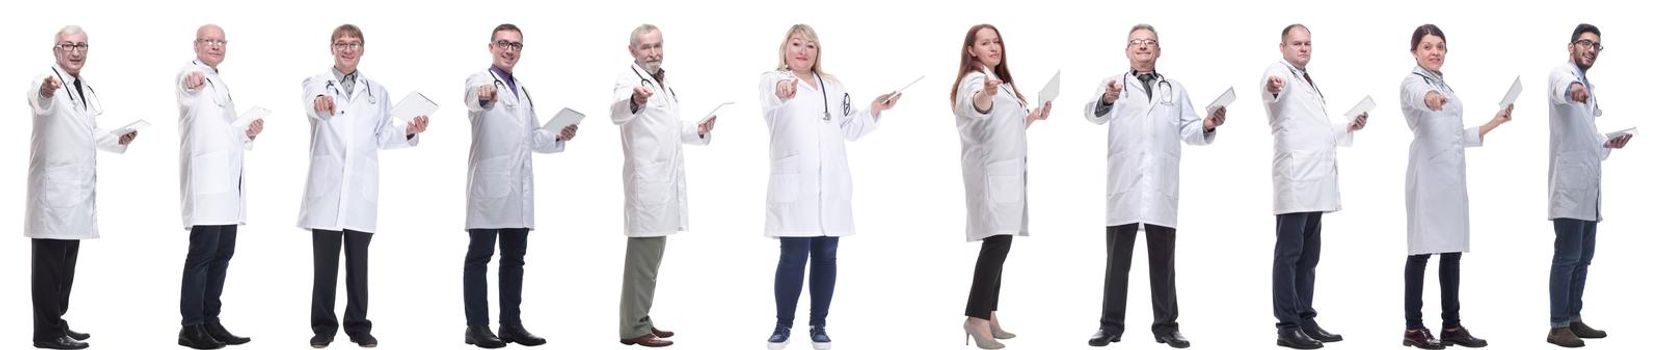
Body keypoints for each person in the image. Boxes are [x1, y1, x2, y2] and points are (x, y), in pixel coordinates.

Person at [1082, 23, 1226, 349]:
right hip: (1125, 189)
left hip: (1160, 189)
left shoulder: (1174, 89)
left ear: (1159, 50)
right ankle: (1109, 326)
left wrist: (1207, 124)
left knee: (1163, 264)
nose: (1143, 47)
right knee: (1116, 264)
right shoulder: (1114, 85)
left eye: (1150, 43)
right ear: (1127, 50)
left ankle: (1166, 327)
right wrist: (1106, 98)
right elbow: (1092, 114)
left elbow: (1190, 130)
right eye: (1137, 42)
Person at [758, 24, 900, 350]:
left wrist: (875, 109)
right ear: (785, 49)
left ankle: (818, 324)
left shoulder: (833, 86)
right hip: (795, 185)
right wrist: (784, 90)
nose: (803, 51)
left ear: (817, 52)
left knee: (826, 255)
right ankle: (783, 325)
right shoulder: (772, 80)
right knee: (792, 256)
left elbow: (849, 127)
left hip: (831, 185)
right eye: (796, 44)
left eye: (810, 45)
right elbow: (775, 96)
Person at [298, 24, 431, 349]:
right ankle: (324, 327)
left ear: (362, 49)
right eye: (341, 44)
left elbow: (384, 135)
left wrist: (410, 131)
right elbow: (312, 101)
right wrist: (321, 102)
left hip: (361, 191)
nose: (347, 49)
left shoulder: (377, 92)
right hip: (327, 190)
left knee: (359, 265)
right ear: (332, 47)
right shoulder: (316, 83)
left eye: (353, 44)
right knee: (325, 266)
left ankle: (358, 326)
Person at [459, 23, 576, 349]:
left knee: (514, 258)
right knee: (479, 256)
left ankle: (510, 324)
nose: (510, 50)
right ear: (491, 46)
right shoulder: (480, 80)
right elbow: (473, 99)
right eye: (504, 44)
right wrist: (484, 97)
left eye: (516, 45)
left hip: (518, 189)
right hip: (490, 187)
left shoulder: (522, 90)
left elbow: (533, 136)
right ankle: (476, 327)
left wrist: (558, 135)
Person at [1397, 24, 1509, 350]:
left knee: (1451, 253)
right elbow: (1421, 98)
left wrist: (1495, 121)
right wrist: (1430, 99)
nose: (1435, 52)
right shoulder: (1413, 83)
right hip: (1429, 179)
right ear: (1415, 51)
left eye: (1440, 46)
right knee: (1420, 252)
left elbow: (1458, 135)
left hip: (1452, 180)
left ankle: (1451, 325)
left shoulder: (1444, 84)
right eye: (1428, 46)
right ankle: (1413, 328)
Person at [26, 24, 138, 350]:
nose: (75, 52)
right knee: (49, 267)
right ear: (56, 51)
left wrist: (118, 138)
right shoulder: (45, 80)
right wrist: (47, 90)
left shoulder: (81, 86)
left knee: (65, 264)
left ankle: (56, 323)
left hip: (74, 194)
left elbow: (88, 132)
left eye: (81, 46)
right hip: (54, 194)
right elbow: (40, 100)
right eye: (68, 46)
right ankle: (46, 334)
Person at [608, 23, 717, 348]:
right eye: (646, 47)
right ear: (633, 51)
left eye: (657, 45)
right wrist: (634, 100)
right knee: (643, 259)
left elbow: (668, 128)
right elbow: (616, 112)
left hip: (664, 183)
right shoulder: (629, 81)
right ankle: (633, 327)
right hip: (648, 184)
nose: (653, 52)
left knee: (651, 259)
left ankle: (641, 317)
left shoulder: (661, 81)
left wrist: (697, 129)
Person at [1258, 24, 1365, 350]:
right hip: (1296, 180)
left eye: (1307, 43)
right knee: (1289, 255)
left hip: (1315, 182)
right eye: (1297, 43)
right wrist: (1273, 86)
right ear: (1283, 47)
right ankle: (1287, 326)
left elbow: (1315, 129)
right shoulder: (1279, 73)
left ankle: (1305, 318)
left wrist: (1348, 126)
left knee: (1309, 257)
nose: (1304, 48)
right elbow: (1271, 90)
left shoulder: (1307, 80)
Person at [950, 23, 1050, 350]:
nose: (994, 47)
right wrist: (985, 94)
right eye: (985, 43)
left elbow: (1005, 127)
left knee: (1000, 244)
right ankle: (975, 318)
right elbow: (976, 107)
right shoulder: (975, 81)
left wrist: (1033, 116)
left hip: (1004, 173)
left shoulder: (1001, 83)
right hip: (990, 175)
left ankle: (989, 315)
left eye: (996, 42)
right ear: (971, 50)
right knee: (997, 245)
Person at [175, 23, 260, 350]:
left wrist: (247, 132)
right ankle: (190, 326)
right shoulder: (190, 74)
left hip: (228, 185)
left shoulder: (220, 81)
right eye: (208, 41)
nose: (215, 45)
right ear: (196, 45)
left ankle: (211, 320)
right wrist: (192, 83)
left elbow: (226, 131)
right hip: (208, 185)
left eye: (220, 41)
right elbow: (187, 88)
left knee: (223, 253)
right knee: (202, 254)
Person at [1543, 23, 1626, 349]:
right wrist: (1574, 92)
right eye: (1586, 44)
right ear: (1571, 46)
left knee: (1584, 257)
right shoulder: (1562, 75)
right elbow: (1563, 88)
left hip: (1588, 190)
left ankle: (1574, 318)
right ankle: (1557, 325)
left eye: (1596, 46)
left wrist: (1609, 142)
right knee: (1567, 256)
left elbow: (1588, 136)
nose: (1591, 50)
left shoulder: (1588, 83)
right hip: (1569, 187)